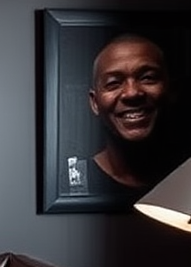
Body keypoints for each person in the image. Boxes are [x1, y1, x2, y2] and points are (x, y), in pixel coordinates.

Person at [64, 34, 175, 204]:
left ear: (169, 89)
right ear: (95, 103)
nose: (132, 93)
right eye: (114, 83)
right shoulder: (69, 182)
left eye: (147, 78)